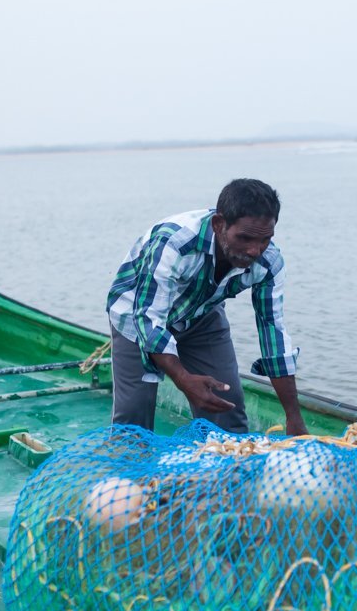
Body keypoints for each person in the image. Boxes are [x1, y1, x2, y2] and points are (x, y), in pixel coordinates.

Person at [106, 178, 307, 436]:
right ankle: (132, 472)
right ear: (219, 224)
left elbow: (273, 333)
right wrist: (183, 379)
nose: (255, 250)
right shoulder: (175, 242)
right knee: (133, 421)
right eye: (244, 238)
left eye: (265, 239)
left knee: (226, 405)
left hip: (200, 315)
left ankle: (226, 473)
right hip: (136, 316)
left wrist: (293, 417)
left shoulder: (269, 263)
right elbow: (149, 319)